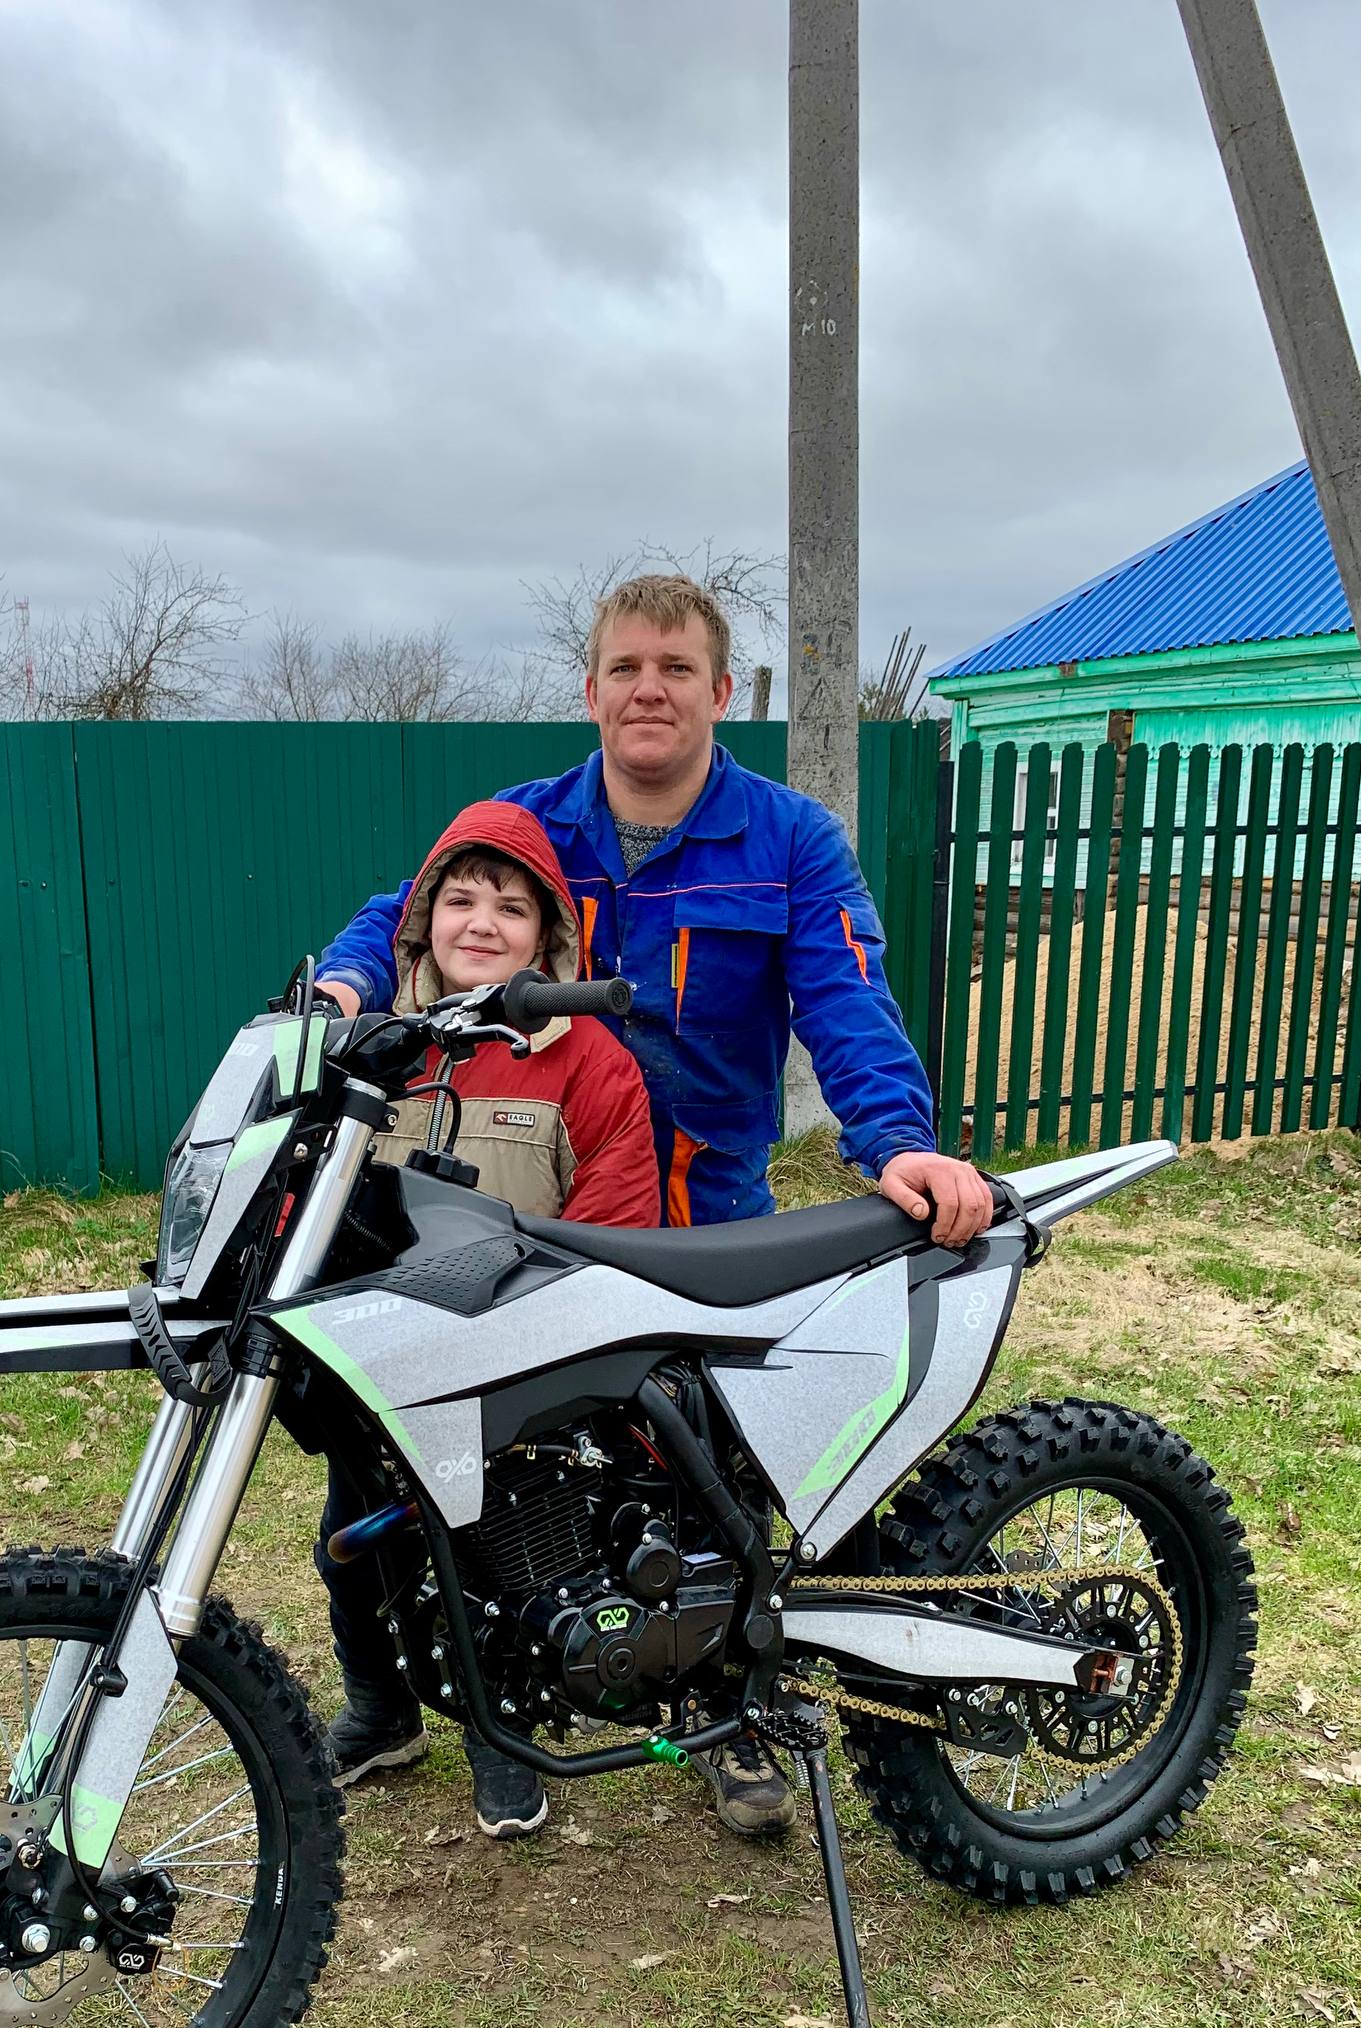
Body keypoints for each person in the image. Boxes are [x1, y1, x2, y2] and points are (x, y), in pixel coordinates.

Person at [317, 573, 995, 1840]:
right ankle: (409, 1694)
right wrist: (345, 993)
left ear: (721, 691)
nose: (649, 689)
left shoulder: (792, 840)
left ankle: (736, 1715)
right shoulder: (529, 823)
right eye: (626, 667)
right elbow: (399, 910)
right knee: (451, 1453)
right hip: (537, 1208)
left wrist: (899, 1142)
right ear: (590, 690)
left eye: (676, 669)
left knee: (713, 1471)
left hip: (708, 1215)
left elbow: (848, 1000)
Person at [319, 797, 659, 1843]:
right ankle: (380, 1710)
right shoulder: (373, 1051)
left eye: (512, 909)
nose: (482, 922)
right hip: (379, 1356)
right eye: (461, 899)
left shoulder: (587, 1059)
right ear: (421, 919)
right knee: (351, 1547)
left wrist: (532, 1330)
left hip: (514, 1363)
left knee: (489, 1565)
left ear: (547, 937)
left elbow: (616, 1220)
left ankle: (499, 1734)